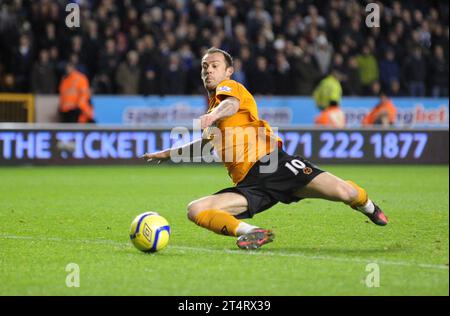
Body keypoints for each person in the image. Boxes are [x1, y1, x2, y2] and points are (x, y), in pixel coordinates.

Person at [142, 48, 388, 250]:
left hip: (276, 166)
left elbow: (230, 105)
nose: (207, 69)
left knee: (346, 193)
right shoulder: (212, 112)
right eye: (204, 66)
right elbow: (204, 143)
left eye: (214, 65)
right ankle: (253, 233)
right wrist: (167, 154)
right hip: (250, 184)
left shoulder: (231, 88)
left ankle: (370, 207)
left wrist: (214, 114)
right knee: (195, 210)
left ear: (228, 71)